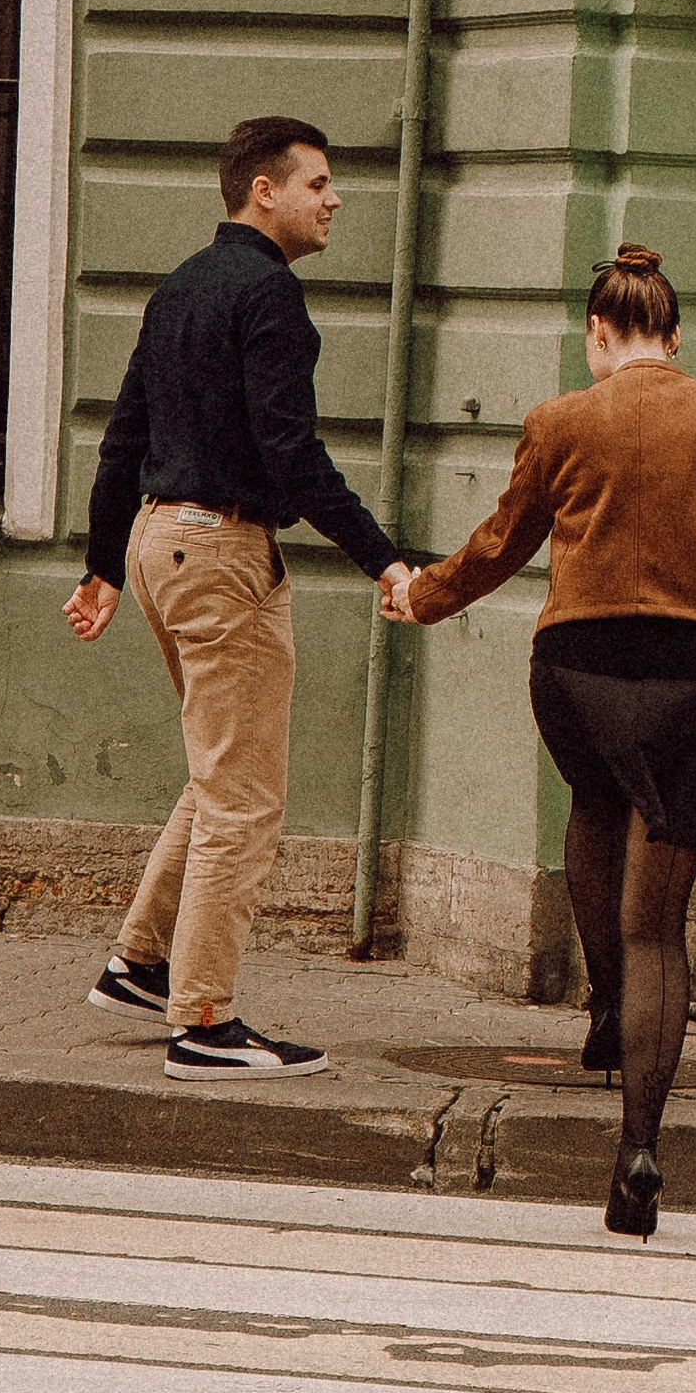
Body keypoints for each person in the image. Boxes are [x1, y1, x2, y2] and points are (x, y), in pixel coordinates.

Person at [383, 242, 696, 1237]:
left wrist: (420, 595)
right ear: (676, 338)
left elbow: (497, 545)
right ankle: (639, 1147)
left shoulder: (560, 421)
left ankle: (605, 1009)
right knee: (661, 925)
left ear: (598, 337)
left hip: (576, 674)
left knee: (596, 802)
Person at [64, 117, 418, 1080]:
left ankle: (140, 961)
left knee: (218, 771)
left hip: (155, 546)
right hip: (222, 554)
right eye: (318, 182)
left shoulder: (179, 287)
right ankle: (204, 1021)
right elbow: (291, 456)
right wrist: (384, 559)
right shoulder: (271, 297)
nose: (333, 198)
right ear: (263, 190)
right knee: (245, 801)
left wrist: (102, 565)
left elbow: (121, 436)